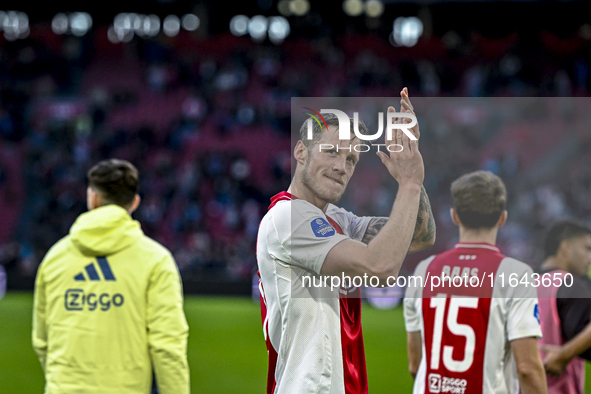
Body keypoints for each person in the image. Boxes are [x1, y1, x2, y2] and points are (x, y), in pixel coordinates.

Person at [256, 88, 436, 394]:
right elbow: (380, 266)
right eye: (332, 152)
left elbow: (421, 235)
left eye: (351, 159)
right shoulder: (287, 217)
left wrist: (412, 168)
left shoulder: (339, 220)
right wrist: (409, 184)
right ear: (301, 152)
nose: (342, 166)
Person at [32, 159, 190, 394]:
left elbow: (42, 341)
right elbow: (167, 346)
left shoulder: (55, 258)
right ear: (135, 202)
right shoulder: (155, 260)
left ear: (92, 197)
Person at [403, 170, 547, 394]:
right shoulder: (515, 274)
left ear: (454, 216)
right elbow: (527, 368)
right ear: (502, 218)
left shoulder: (425, 269)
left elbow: (415, 364)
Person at [537, 219, 591, 394]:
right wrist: (563, 356)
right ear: (566, 247)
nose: (590, 258)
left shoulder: (522, 283)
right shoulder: (570, 284)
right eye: (587, 249)